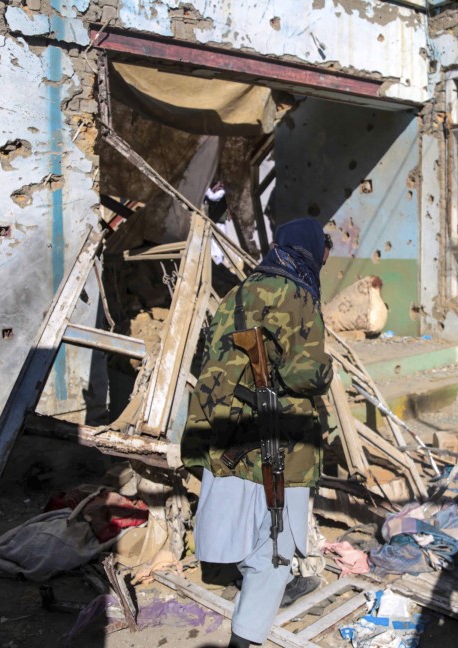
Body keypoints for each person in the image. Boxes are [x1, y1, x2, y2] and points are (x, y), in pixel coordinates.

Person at [182, 218, 334, 648]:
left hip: (224, 423)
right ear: (310, 251)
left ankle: (249, 586)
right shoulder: (298, 294)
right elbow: (303, 372)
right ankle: (245, 637)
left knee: (245, 517)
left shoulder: (237, 291)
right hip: (273, 431)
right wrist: (328, 369)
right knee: (276, 538)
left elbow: (214, 355)